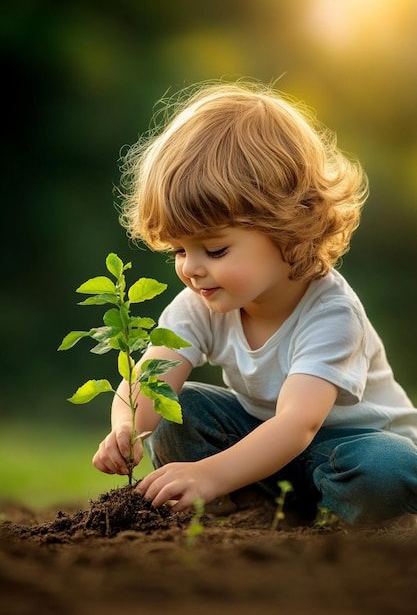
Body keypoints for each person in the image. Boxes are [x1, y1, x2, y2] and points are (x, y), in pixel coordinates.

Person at [92, 81, 417, 525]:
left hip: (351, 450)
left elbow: (297, 425)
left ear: (289, 228)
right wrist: (127, 427)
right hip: (262, 453)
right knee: (178, 413)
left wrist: (210, 473)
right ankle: (249, 516)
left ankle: (353, 521)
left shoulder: (332, 313)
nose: (191, 269)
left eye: (215, 250)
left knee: (388, 469)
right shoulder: (200, 301)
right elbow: (152, 381)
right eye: (179, 251)